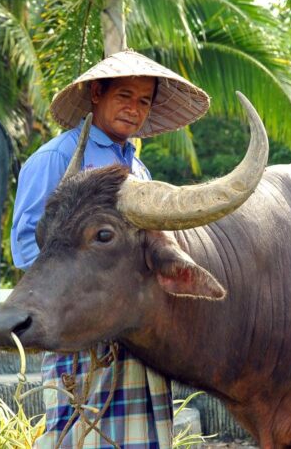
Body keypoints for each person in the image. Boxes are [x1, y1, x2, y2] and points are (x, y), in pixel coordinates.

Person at [11, 50, 211, 448]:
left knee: (143, 437)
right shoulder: (58, 157)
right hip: (79, 326)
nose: (134, 109)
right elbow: (25, 245)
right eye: (124, 96)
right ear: (97, 95)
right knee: (78, 435)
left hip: (138, 336)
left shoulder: (139, 171)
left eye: (144, 101)